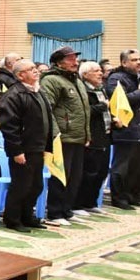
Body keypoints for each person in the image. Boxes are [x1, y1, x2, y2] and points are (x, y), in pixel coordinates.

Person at [0, 60, 56, 232]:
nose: (36, 71)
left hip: (37, 147)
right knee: (21, 186)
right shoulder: (13, 95)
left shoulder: (38, 91)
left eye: (35, 68)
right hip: (23, 149)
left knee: (36, 185)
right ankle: (12, 219)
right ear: (20, 75)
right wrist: (16, 151)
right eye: (31, 69)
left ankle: (27, 216)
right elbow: (9, 127)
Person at [40, 46, 90, 225]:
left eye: (75, 59)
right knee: (60, 176)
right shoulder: (51, 80)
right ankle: (55, 212)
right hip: (62, 137)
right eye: (70, 59)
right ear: (58, 62)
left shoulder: (76, 80)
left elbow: (84, 110)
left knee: (75, 177)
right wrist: (55, 134)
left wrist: (87, 134)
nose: (75, 62)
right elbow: (47, 109)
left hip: (78, 136)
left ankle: (67, 209)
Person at [105, 49, 140, 210]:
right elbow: (119, 101)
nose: (139, 62)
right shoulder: (116, 78)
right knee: (122, 167)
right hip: (125, 129)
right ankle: (119, 198)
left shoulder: (139, 78)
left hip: (139, 129)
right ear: (124, 63)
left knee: (137, 167)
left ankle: (133, 196)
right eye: (134, 60)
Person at [75, 61, 111, 213]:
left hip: (105, 135)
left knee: (101, 172)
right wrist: (103, 106)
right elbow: (83, 111)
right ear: (85, 75)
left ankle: (91, 203)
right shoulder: (82, 90)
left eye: (100, 70)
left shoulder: (101, 89)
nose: (100, 73)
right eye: (96, 71)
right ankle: (78, 204)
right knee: (88, 172)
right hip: (91, 136)